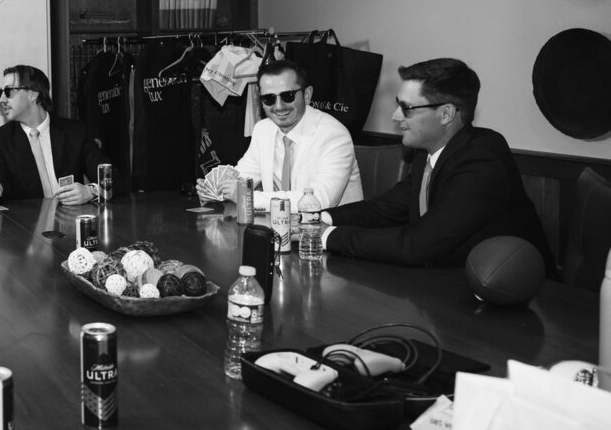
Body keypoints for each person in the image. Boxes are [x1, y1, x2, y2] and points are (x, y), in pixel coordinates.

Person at [321, 58, 558, 276]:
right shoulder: (426, 154)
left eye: (407, 108)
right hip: (449, 284)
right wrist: (317, 219)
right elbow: (382, 211)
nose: (395, 116)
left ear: (446, 114)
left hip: (517, 296)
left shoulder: (482, 162)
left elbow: (417, 245)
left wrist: (326, 237)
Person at [196, 59, 364, 210]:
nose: (278, 106)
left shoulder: (334, 135)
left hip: (333, 235)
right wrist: (217, 189)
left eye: (287, 96)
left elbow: (320, 200)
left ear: (307, 95)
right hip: (280, 229)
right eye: (269, 98)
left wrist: (246, 197)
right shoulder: (263, 129)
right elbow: (243, 176)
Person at [0, 64, 114, 204]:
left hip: (70, 223)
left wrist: (90, 191)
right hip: (27, 226)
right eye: (0, 93)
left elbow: (112, 177)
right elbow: (3, 198)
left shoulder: (76, 132)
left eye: (8, 92)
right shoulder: (0, 139)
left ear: (33, 95)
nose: (2, 99)